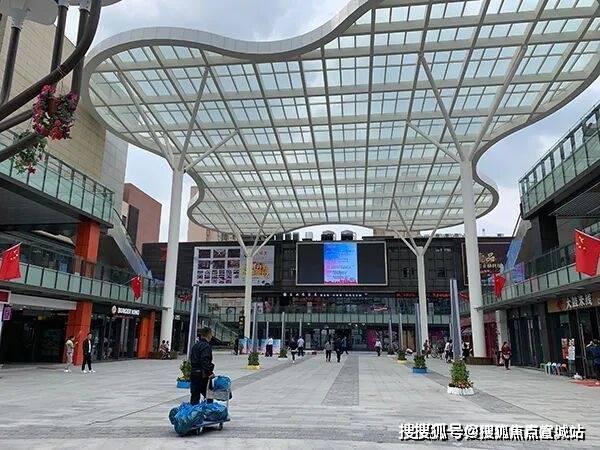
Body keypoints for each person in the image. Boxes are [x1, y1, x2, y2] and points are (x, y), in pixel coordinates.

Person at [190, 327, 215, 405]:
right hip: (202, 374)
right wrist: (209, 372)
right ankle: (208, 410)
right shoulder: (206, 346)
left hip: (194, 373)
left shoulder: (195, 345)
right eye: (211, 334)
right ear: (209, 334)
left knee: (194, 396)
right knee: (209, 396)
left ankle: (194, 411)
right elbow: (204, 361)